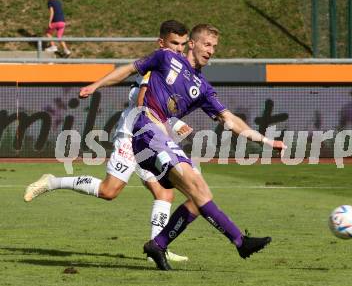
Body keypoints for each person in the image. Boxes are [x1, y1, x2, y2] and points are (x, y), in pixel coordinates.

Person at [78, 23, 286, 271]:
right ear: (193, 44)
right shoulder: (165, 57)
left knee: (199, 198)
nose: (211, 51)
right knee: (196, 188)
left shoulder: (204, 88)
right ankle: (240, 242)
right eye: (207, 44)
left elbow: (230, 120)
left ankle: (159, 244)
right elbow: (127, 70)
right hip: (147, 130)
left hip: (160, 139)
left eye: (215, 47)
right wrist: (95, 85)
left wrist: (266, 141)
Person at [24, 20, 191, 262]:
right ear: (161, 43)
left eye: (182, 44)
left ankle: (157, 249)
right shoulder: (157, 68)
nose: (178, 48)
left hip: (152, 140)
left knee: (164, 192)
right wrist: (174, 124)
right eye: (174, 43)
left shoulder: (177, 70)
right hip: (133, 136)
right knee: (109, 191)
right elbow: (143, 104)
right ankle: (52, 182)